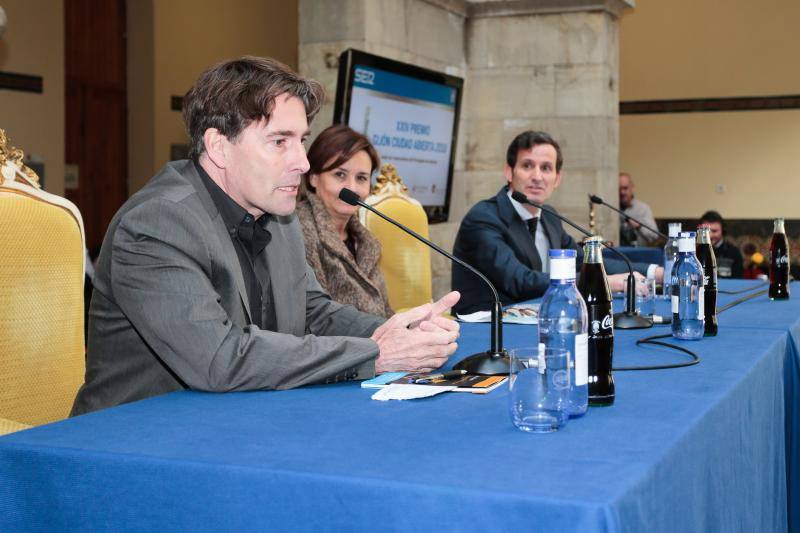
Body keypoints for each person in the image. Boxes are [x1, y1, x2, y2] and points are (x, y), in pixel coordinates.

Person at [71, 57, 460, 416]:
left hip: (236, 419)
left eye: (302, 140)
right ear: (218, 146)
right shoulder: (157, 223)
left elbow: (315, 313)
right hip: (133, 440)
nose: (302, 162)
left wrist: (397, 331)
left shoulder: (277, 215)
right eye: (280, 142)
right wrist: (375, 354)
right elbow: (219, 360)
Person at [452, 130, 662, 315]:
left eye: (546, 168)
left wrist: (655, 272)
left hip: (534, 319)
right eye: (527, 166)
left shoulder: (549, 216)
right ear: (509, 172)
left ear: (557, 178)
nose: (537, 176)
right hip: (486, 329)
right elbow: (520, 281)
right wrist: (604, 282)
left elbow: (584, 262)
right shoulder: (483, 217)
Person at [296, 124, 392, 318]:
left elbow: (384, 309)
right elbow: (316, 319)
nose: (352, 188)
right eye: (340, 175)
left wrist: (411, 328)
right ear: (314, 177)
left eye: (361, 178)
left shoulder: (365, 241)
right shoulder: (298, 230)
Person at [619, 172, 659, 246]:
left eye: (625, 188)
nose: (622, 192)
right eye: (619, 189)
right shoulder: (611, 208)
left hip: (638, 254)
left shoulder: (643, 209)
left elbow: (654, 236)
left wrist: (639, 226)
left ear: (632, 188)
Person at [699, 210, 744, 278]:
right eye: (706, 231)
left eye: (714, 231)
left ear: (723, 231)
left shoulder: (734, 252)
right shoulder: (696, 252)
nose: (710, 235)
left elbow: (738, 280)